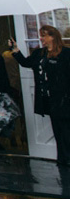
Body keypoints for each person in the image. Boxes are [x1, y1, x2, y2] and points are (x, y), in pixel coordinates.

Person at [10, 25, 70, 166]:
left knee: (66, 130)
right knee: (57, 130)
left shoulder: (66, 53)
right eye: (40, 35)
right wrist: (16, 50)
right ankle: (62, 159)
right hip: (49, 99)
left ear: (53, 36)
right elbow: (26, 63)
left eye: (44, 35)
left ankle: (67, 159)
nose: (41, 38)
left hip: (65, 98)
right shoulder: (40, 54)